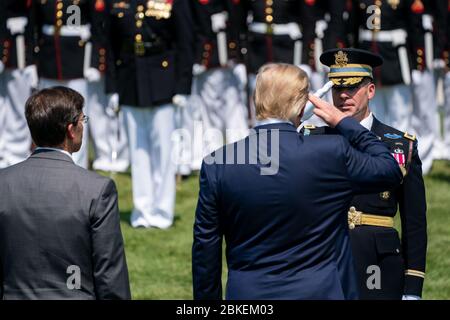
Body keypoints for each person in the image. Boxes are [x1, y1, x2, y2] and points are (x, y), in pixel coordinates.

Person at [192, 63, 403, 300]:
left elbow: (205, 249)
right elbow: (389, 170)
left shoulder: (219, 163)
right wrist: (345, 123)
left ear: (256, 100)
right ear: (302, 107)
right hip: (319, 291)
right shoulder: (330, 153)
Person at [303, 48, 427, 300]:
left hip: (378, 261)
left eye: (352, 87)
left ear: (370, 90)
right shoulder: (310, 139)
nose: (344, 95)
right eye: (337, 88)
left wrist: (413, 288)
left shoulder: (399, 145)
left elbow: (414, 223)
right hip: (325, 256)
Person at [0, 87, 131, 300]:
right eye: (82, 120)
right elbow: (110, 275)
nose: (83, 125)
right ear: (71, 130)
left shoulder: (3, 183)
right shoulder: (97, 189)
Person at [104, 0, 194, 229]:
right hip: (130, 79)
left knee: (163, 150)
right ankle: (142, 210)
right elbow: (111, 44)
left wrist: (183, 86)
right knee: (138, 150)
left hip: (162, 79)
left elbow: (185, 42)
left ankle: (162, 211)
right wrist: (112, 87)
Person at [32, 0, 108, 169]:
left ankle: (77, 164)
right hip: (49, 59)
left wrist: (94, 62)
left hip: (77, 61)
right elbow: (33, 26)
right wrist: (32, 61)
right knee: (47, 114)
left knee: (77, 116)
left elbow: (97, 27)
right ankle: (48, 160)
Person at [0, 0, 36, 168]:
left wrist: (31, 60)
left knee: (17, 103)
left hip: (17, 43)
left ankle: (17, 152)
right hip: (7, 39)